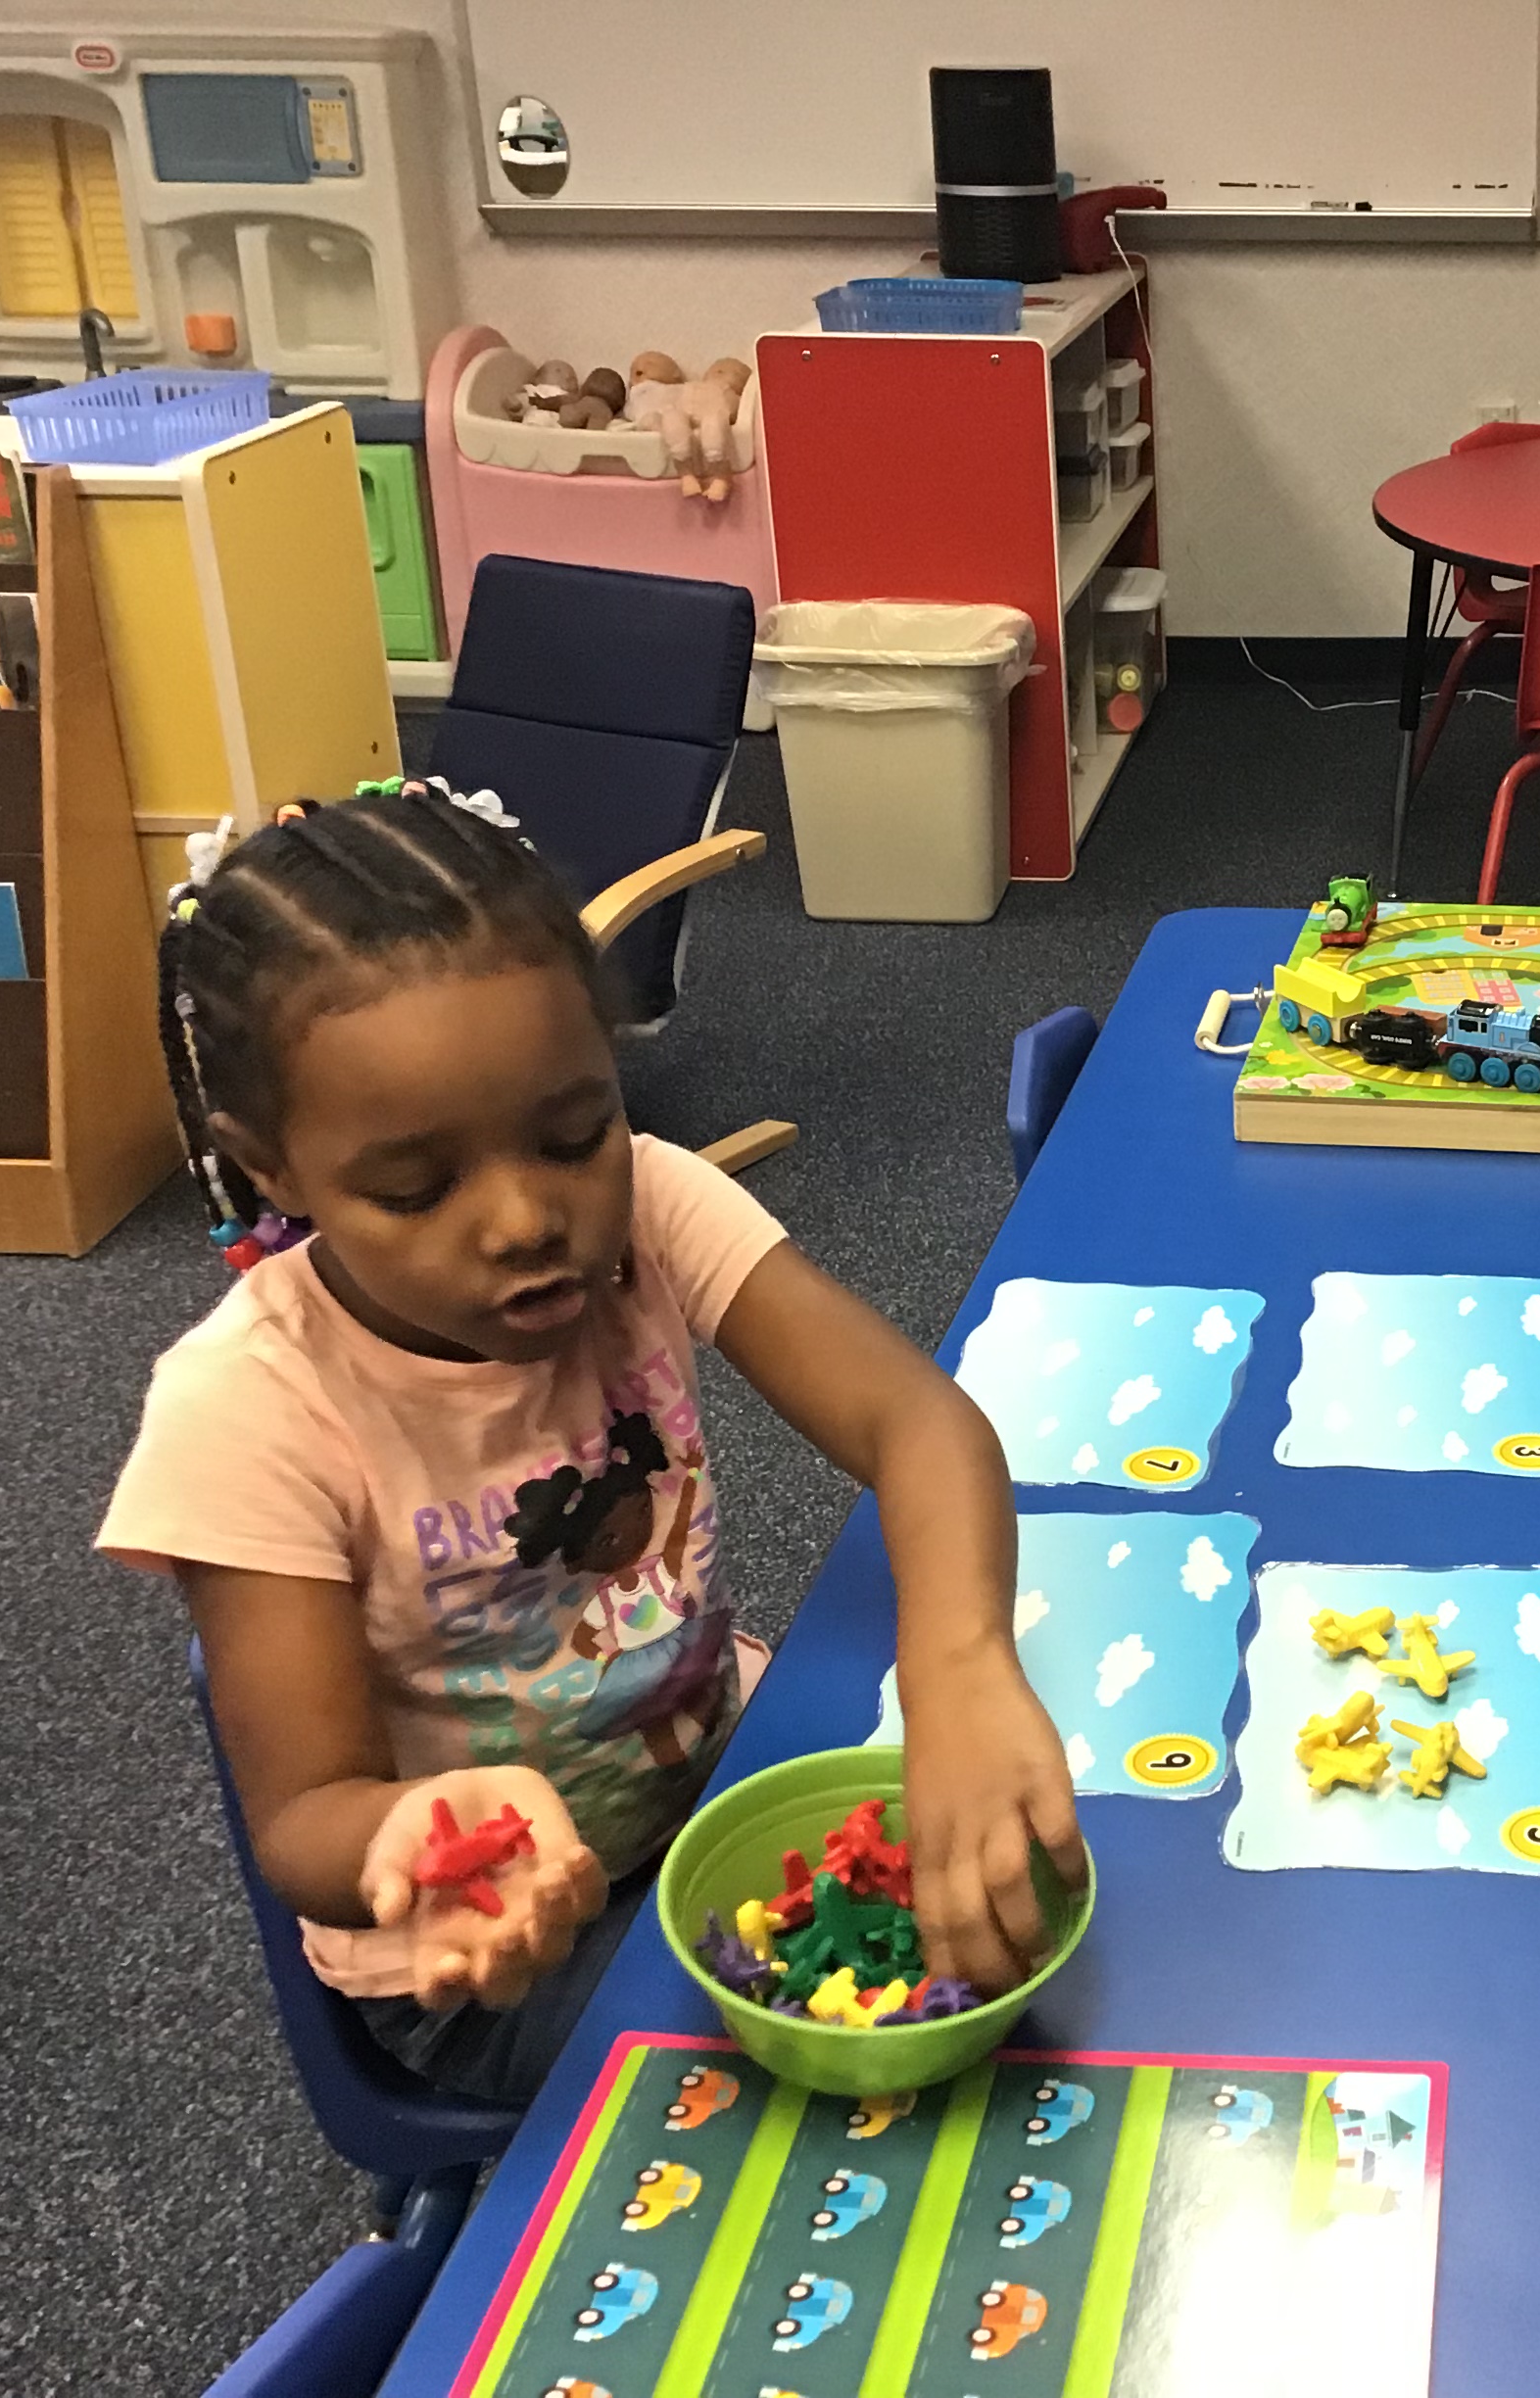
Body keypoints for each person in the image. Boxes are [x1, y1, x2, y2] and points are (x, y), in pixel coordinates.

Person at [100, 786, 1083, 2104]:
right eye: (415, 1189)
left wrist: (960, 1663)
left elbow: (917, 1420)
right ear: (272, 1170)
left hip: (707, 1775)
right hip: (499, 1950)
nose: (524, 1217)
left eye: (574, 1135)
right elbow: (305, 1815)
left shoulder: (652, 1208)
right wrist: (416, 1837)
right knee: (858, 2103)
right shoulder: (250, 1410)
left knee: (1040, 1899)